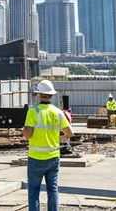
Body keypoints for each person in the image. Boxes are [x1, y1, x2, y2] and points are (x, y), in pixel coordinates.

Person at [23, 80, 72, 211]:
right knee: (53, 191)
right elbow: (69, 133)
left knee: (33, 192)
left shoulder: (33, 111)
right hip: (53, 157)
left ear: (39, 95)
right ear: (51, 95)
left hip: (36, 158)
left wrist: (24, 132)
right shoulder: (57, 112)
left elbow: (27, 134)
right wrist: (58, 138)